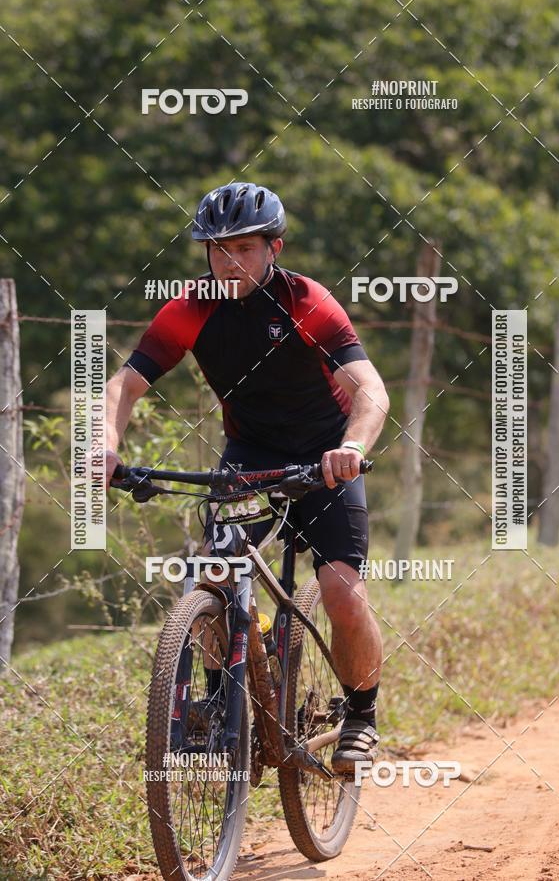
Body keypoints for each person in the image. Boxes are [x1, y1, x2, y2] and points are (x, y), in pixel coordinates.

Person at [103, 181, 389, 772]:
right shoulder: (189, 309)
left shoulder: (309, 302)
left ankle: (361, 713)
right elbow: (124, 385)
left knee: (340, 590)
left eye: (244, 249)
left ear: (273, 249)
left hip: (325, 456)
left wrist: (352, 447)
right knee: (214, 572)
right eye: (216, 249)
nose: (228, 262)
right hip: (250, 455)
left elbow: (372, 391)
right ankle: (220, 695)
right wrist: (105, 445)